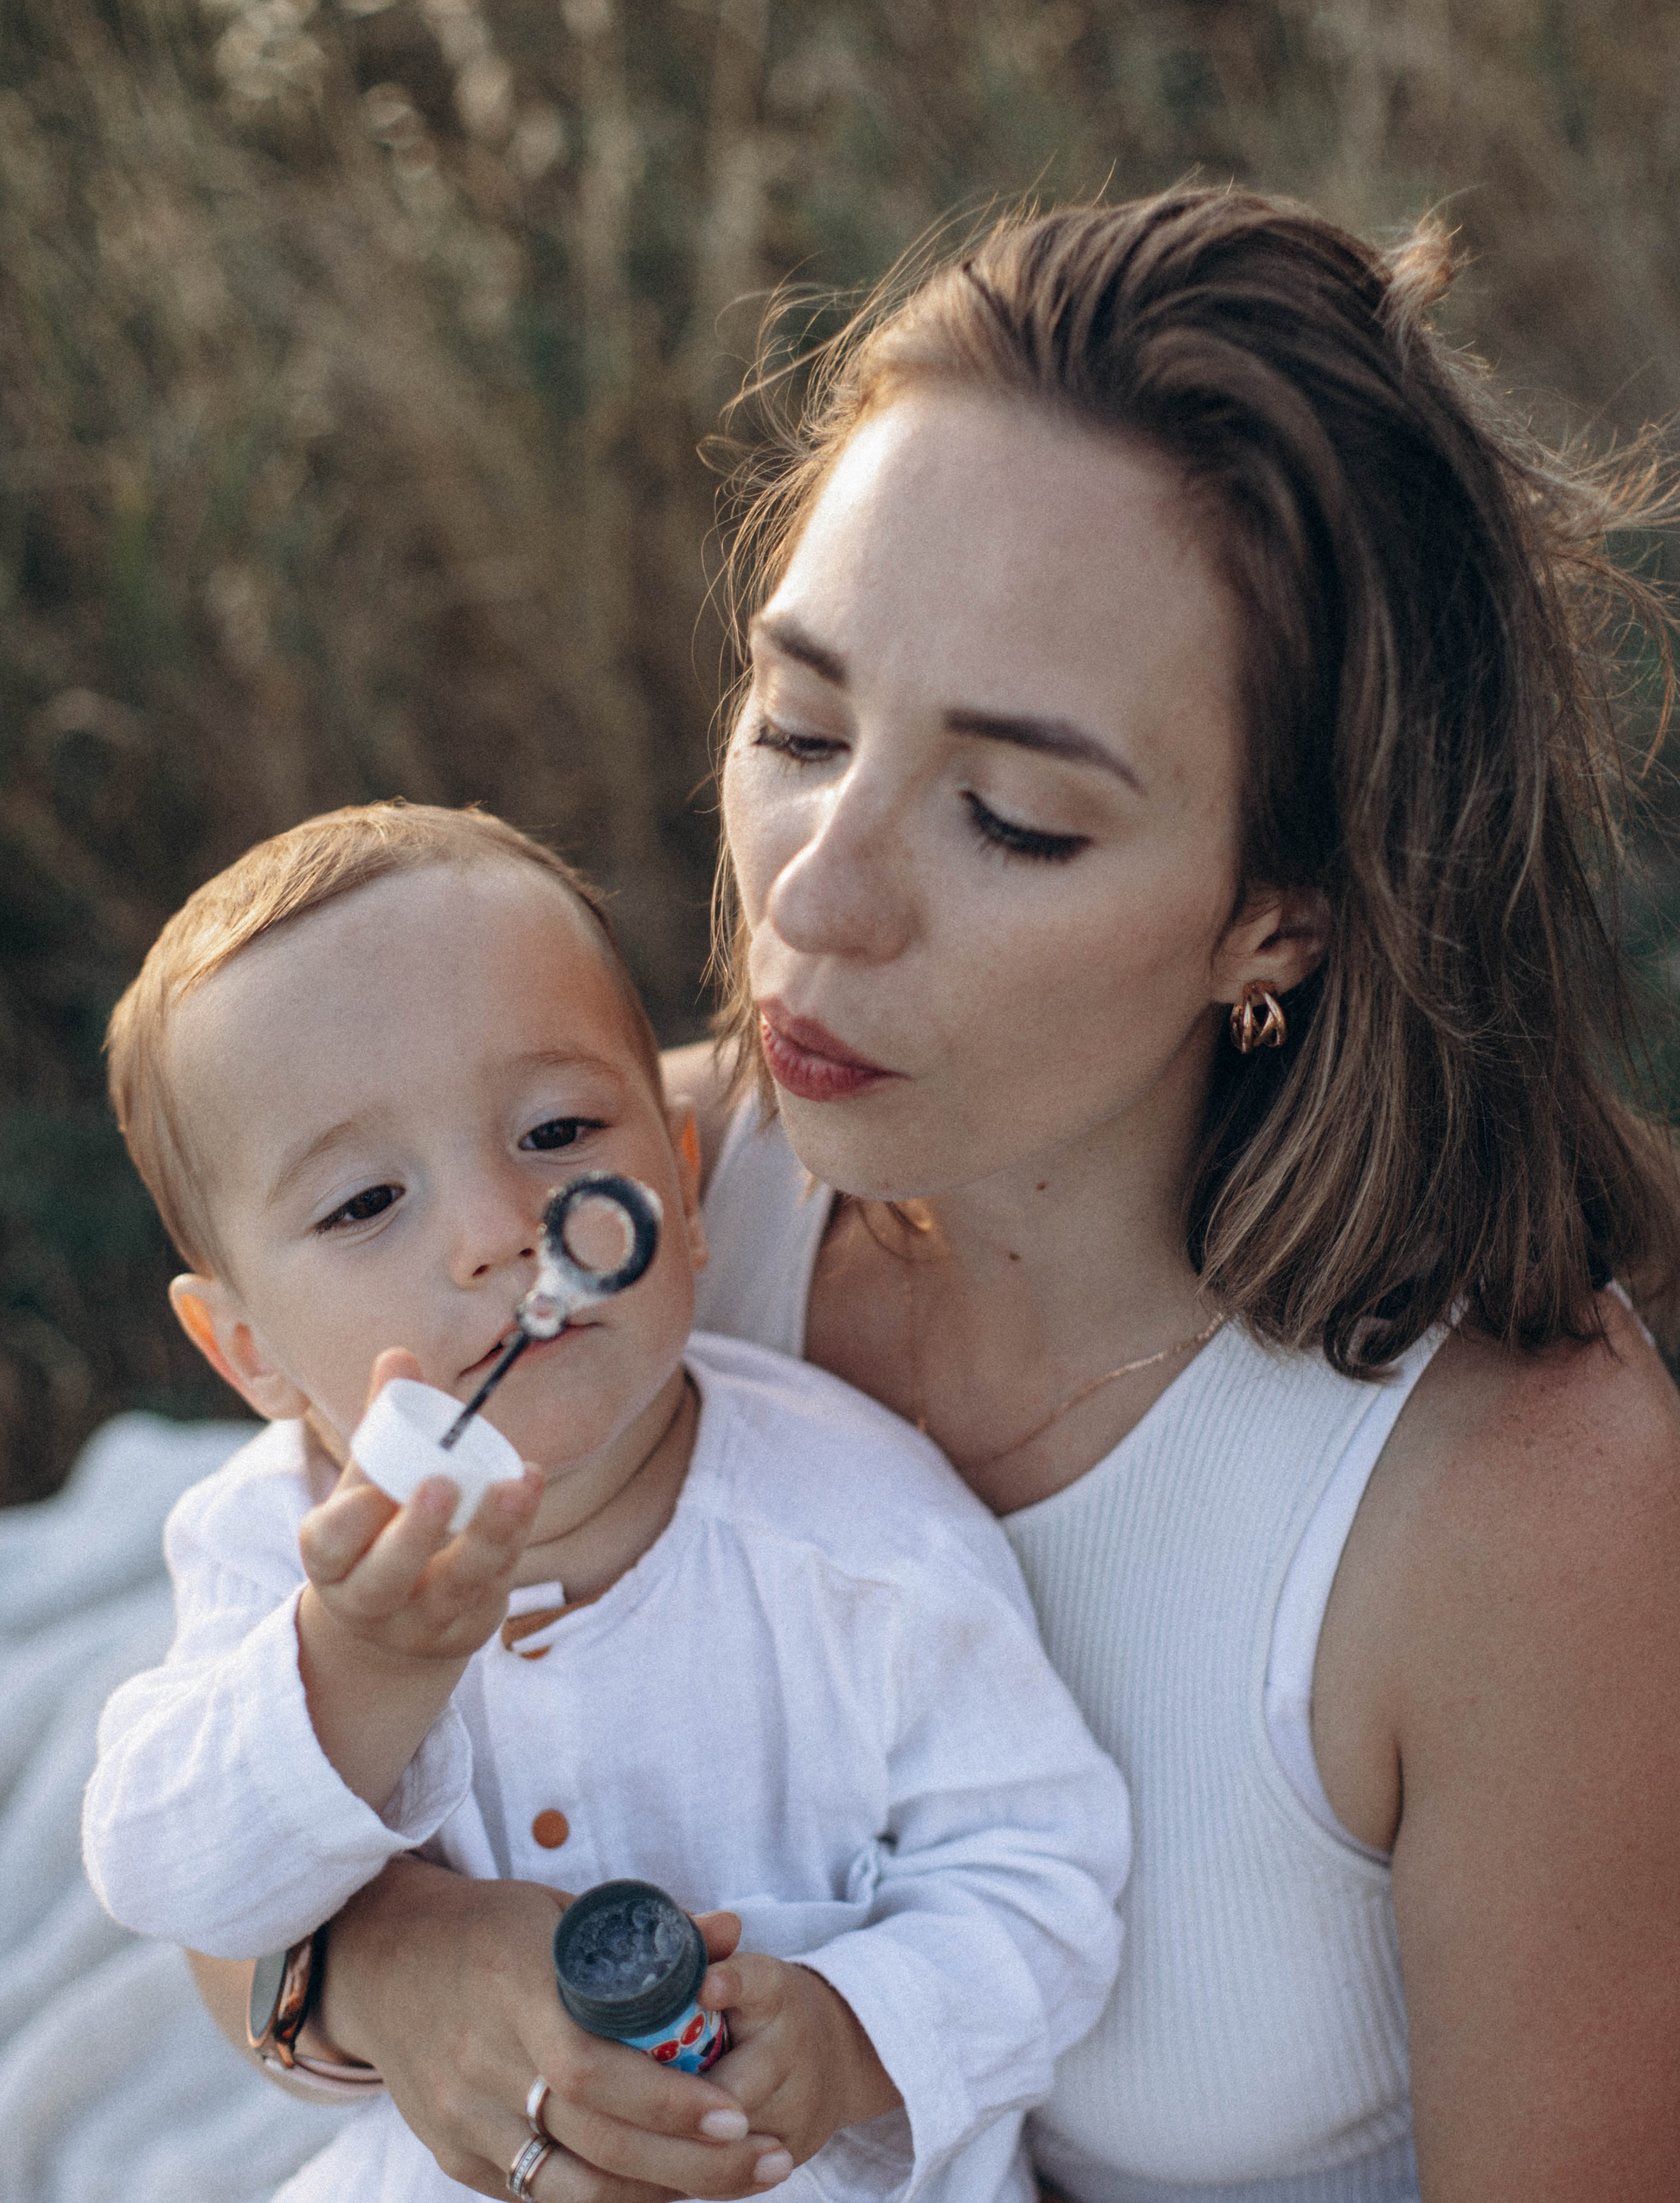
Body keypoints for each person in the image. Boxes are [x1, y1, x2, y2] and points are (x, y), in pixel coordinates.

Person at [190, 191, 1680, 2203]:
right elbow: (214, 1821)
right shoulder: (613, 1220)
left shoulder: (1520, 1505)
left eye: (1011, 818)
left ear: (1282, 913)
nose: (815, 894)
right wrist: (401, 1964)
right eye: (800, 726)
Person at [82, 802, 1130, 2203]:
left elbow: (1045, 1882)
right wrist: (355, 1674)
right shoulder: (276, 1545)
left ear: (680, 1194)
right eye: (364, 1203)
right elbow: (167, 1872)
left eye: (556, 1130)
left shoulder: (863, 1537)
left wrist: (857, 2032)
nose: (494, 1232)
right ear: (245, 1351)